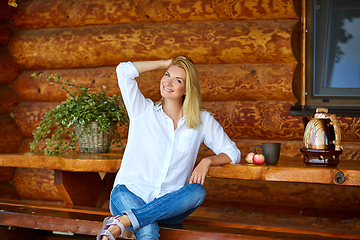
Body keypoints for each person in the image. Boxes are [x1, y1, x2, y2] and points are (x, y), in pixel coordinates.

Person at [97, 56, 241, 240]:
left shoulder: (202, 120)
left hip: (168, 205)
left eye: (177, 80)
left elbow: (232, 152)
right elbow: (123, 71)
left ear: (187, 89)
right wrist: (165, 63)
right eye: (167, 75)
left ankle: (123, 222)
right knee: (148, 231)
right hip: (129, 193)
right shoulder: (142, 110)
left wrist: (207, 161)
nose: (168, 82)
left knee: (197, 191)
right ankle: (130, 221)